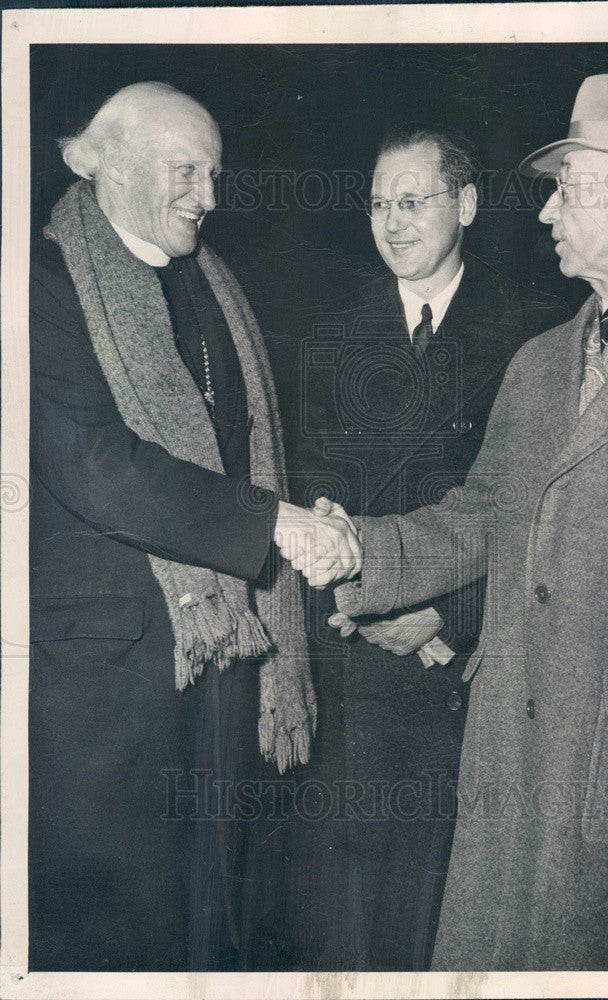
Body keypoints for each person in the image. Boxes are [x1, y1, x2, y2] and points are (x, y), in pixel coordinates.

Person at [285, 74, 608, 970]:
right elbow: (480, 514)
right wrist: (357, 548)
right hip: (508, 755)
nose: (544, 215)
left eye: (565, 189)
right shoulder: (539, 364)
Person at [29, 81, 358, 972]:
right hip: (106, 688)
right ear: (115, 166)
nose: (209, 196)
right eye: (187, 171)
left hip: (224, 658)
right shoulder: (42, 282)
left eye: (213, 173)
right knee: (117, 935)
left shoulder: (215, 283)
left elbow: (249, 442)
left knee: (215, 923)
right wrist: (274, 521)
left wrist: (292, 522)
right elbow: (94, 464)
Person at [286, 126, 560, 970]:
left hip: (463, 668)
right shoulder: (326, 339)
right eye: (377, 203)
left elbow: (536, 519)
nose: (391, 222)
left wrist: (447, 608)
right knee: (352, 917)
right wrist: (360, 608)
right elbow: (307, 511)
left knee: (448, 914)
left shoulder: (534, 339)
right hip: (356, 674)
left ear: (466, 206)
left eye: (412, 201)